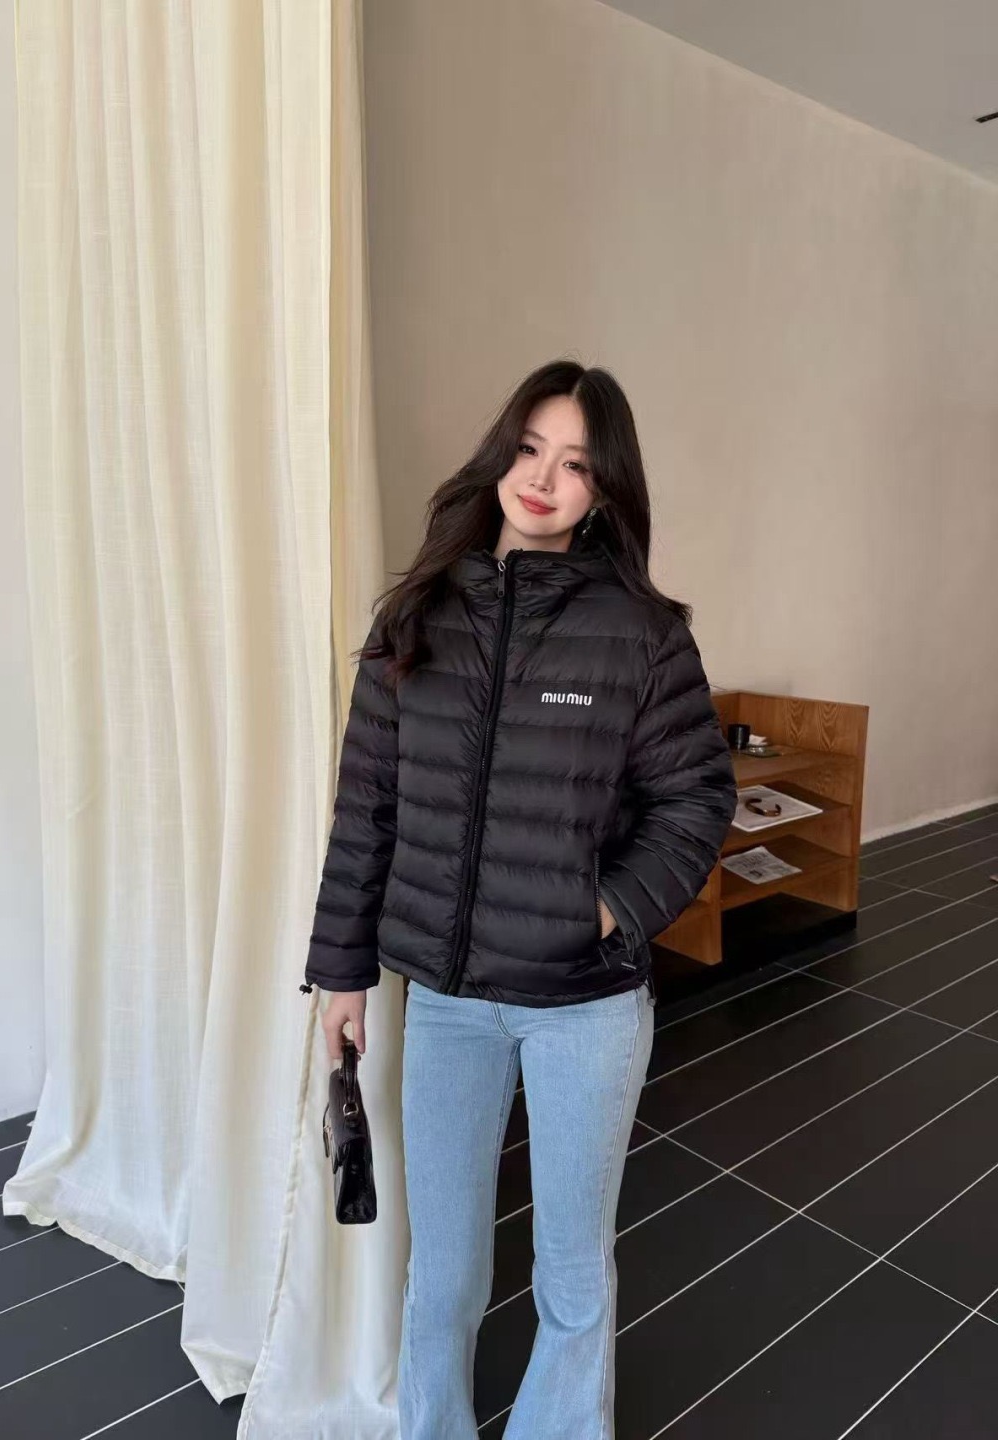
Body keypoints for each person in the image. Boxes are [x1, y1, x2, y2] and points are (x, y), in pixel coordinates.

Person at [299, 358, 738, 1438]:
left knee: (571, 1273)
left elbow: (696, 798)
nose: (543, 479)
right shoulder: (417, 616)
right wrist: (342, 973)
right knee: (442, 1271)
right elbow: (366, 808)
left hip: (583, 1005)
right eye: (531, 449)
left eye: (576, 464)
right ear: (501, 453)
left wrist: (606, 910)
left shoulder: (640, 632)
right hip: (448, 1003)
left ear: (604, 491)